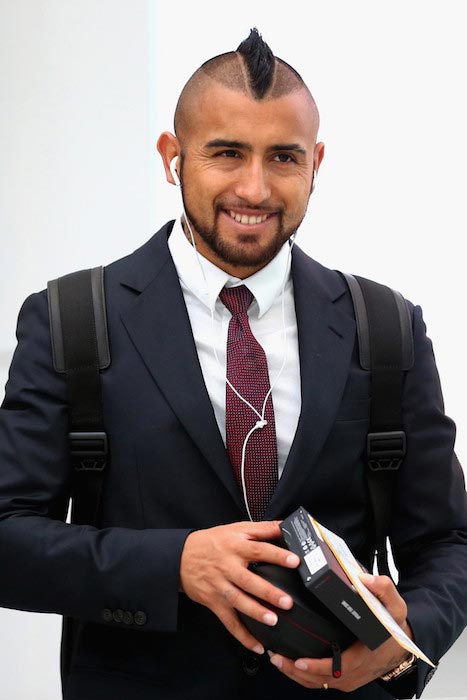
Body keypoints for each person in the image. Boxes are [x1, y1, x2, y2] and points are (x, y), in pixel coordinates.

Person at [0, 28, 466, 700]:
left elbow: (448, 542)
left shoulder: (386, 326)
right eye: (226, 153)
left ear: (316, 162)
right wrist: (175, 565)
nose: (255, 187)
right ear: (173, 156)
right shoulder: (71, 320)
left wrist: (401, 644)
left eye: (283, 157)